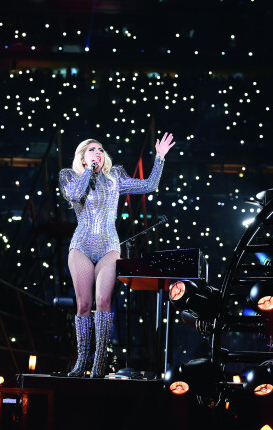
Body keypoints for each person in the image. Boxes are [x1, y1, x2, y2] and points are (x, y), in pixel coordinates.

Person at [59, 132, 175, 378]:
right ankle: (81, 362)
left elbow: (149, 186)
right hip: (81, 245)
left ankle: (99, 364)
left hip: (109, 246)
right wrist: (89, 171)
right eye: (92, 150)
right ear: (82, 157)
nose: (98, 153)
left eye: (100, 150)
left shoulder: (115, 177)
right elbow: (75, 195)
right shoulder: (70, 176)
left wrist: (160, 158)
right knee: (84, 304)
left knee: (103, 302)